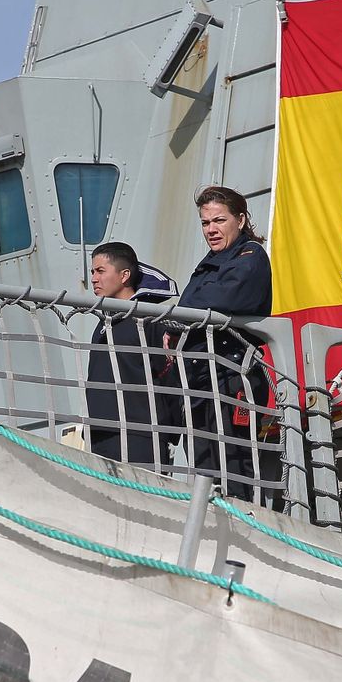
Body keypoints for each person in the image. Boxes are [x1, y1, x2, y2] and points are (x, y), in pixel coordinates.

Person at [177, 185, 273, 500]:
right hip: (203, 379)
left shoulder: (251, 255)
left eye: (219, 220)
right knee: (204, 468)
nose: (211, 230)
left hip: (231, 377)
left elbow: (227, 296)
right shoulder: (210, 263)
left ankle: (242, 533)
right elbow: (193, 302)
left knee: (235, 468)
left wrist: (185, 311)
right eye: (205, 223)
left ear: (241, 220)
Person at [82, 242, 182, 466]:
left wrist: (168, 431)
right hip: (100, 433)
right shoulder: (104, 325)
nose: (94, 279)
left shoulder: (149, 321)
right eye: (92, 272)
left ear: (124, 275)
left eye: (100, 271)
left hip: (141, 435)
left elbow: (170, 377)